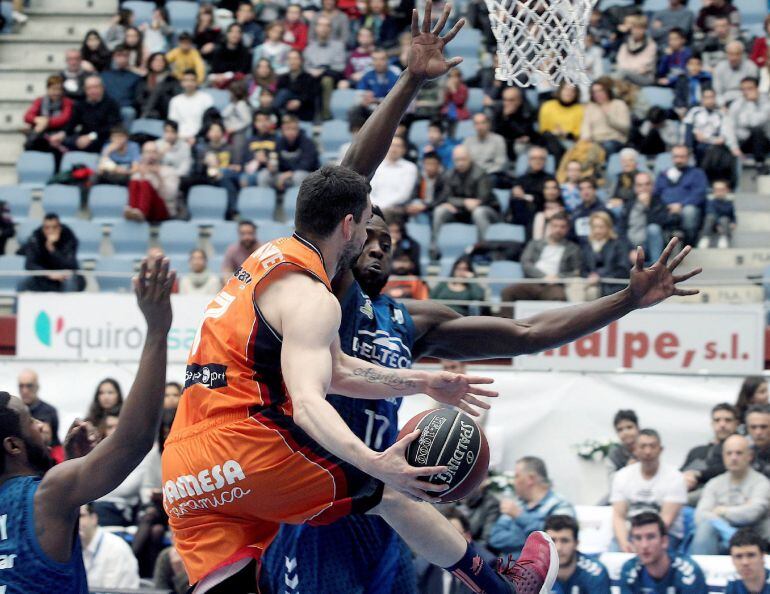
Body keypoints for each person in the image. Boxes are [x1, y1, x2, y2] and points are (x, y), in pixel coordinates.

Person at [161, 9, 562, 593]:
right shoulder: (315, 299)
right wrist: (374, 464)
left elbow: (339, 369)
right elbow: (309, 400)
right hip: (244, 449)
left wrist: (420, 383)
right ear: (348, 227)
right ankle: (498, 583)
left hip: (185, 465)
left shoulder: (265, 260)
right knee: (389, 496)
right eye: (368, 224)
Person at [0, 256, 173, 594]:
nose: (42, 425)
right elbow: (133, 441)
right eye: (30, 419)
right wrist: (157, 331)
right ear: (13, 446)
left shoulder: (51, 494)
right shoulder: (48, 494)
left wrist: (71, 467)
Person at [611, 429, 688, 553]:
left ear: (661, 449)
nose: (648, 451)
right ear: (635, 450)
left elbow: (666, 521)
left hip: (664, 535)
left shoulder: (676, 477)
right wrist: (624, 542)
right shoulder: (622, 476)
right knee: (614, 550)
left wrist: (643, 543)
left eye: (652, 446)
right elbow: (618, 516)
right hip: (630, 533)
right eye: (643, 447)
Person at [691, 434, 770, 554]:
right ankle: (701, 570)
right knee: (705, 528)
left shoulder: (761, 483)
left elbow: (752, 513)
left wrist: (721, 511)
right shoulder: (714, 483)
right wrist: (726, 525)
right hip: (721, 542)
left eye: (739, 453)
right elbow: (700, 516)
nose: (733, 458)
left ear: (750, 456)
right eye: (729, 453)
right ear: (723, 456)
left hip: (754, 543)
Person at [489, 457, 575, 557]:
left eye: (517, 476)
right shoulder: (516, 504)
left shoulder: (560, 504)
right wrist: (535, 539)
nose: (514, 481)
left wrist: (520, 516)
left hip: (542, 571)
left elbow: (557, 540)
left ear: (531, 479)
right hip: (505, 570)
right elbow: (495, 539)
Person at [500, 212, 582, 306]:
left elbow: (575, 271)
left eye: (562, 227)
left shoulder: (573, 248)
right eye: (555, 226)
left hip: (555, 284)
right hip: (533, 281)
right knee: (507, 292)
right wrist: (543, 276)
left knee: (558, 297)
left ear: (567, 229)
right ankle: (507, 321)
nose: (558, 229)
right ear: (549, 227)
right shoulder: (535, 243)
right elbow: (525, 263)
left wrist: (558, 277)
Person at [620, 512, 707, 594]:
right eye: (638, 538)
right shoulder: (629, 570)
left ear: (664, 541)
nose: (644, 545)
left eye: (650, 537)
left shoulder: (687, 572)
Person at [432, 145, 499, 242]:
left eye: (463, 159)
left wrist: (456, 202)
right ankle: (434, 247)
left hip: (488, 211)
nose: (460, 163)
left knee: (478, 212)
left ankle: (484, 248)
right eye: (457, 160)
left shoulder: (480, 174)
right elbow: (446, 197)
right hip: (461, 211)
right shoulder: (449, 175)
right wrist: (464, 202)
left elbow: (482, 200)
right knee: (440, 211)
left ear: (470, 158)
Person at [681, 402, 739, 501]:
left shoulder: (740, 450)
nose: (722, 424)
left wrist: (698, 474)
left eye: (727, 420)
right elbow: (680, 472)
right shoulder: (697, 451)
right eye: (717, 420)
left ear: (736, 424)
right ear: (712, 424)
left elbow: (726, 470)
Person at [653, 144, 708, 246]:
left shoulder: (697, 173)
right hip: (665, 208)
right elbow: (656, 194)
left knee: (689, 211)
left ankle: (688, 245)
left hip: (686, 208)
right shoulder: (663, 174)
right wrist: (666, 206)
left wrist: (681, 205)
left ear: (688, 157)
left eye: (682, 157)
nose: (678, 160)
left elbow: (699, 194)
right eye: (676, 156)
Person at [544, 515, 611, 594]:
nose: (558, 548)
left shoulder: (595, 571)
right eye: (552, 541)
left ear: (576, 543)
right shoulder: (535, 572)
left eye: (565, 541)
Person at [79, 503, 140, 588]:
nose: (75, 522)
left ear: (93, 518)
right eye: (70, 517)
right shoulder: (71, 548)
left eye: (81, 516)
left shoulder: (116, 548)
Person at [19, 214, 83, 293]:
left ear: (59, 228)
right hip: (46, 275)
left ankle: (67, 305)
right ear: (43, 229)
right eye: (47, 228)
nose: (50, 231)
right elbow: (29, 264)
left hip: (65, 276)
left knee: (70, 280)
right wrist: (49, 274)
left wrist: (52, 250)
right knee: (23, 283)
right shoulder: (35, 239)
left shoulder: (69, 238)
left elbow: (70, 264)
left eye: (54, 227)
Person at [258, 115, 319, 191]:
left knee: (298, 176)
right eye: (287, 129)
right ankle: (265, 201)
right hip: (283, 176)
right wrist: (271, 167)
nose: (290, 132)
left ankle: (300, 202)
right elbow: (275, 162)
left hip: (304, 176)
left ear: (298, 130)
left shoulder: (308, 143)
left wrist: (289, 173)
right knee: (264, 175)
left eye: (293, 129)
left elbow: (307, 165)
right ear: (282, 131)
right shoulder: (279, 143)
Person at [304, 15, 347, 120]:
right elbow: (306, 66)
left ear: (330, 29)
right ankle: (309, 115)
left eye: (326, 25)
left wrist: (322, 70)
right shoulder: (310, 47)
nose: (323, 28)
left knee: (326, 80)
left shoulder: (338, 46)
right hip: (313, 75)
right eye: (320, 25)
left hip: (332, 74)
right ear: (316, 28)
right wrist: (312, 71)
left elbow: (340, 66)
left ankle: (326, 114)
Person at [616, 174, 665, 266]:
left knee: (653, 228)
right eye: (640, 185)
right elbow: (621, 231)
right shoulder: (628, 205)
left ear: (653, 186)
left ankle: (657, 268)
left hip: (648, 245)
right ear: (635, 188)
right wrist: (630, 250)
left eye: (647, 184)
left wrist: (646, 207)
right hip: (630, 245)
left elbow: (663, 223)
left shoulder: (659, 203)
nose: (644, 188)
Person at [64, 75, 122, 153]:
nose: (93, 91)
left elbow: (112, 127)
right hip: (84, 136)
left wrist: (91, 137)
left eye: (96, 87)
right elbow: (72, 123)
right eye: (89, 88)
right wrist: (63, 133)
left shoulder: (111, 104)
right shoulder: (81, 104)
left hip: (103, 137)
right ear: (85, 90)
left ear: (102, 88)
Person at [126, 141, 180, 222]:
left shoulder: (169, 171)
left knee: (145, 183)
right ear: (142, 155)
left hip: (163, 209)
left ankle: (141, 213)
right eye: (147, 152)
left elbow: (170, 196)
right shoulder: (137, 174)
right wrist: (142, 175)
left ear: (158, 154)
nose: (150, 155)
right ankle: (135, 212)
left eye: (154, 152)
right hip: (141, 210)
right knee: (135, 182)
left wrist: (158, 176)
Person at [725, 77, 770, 174]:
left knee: (757, 131)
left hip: (765, 141)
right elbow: (729, 126)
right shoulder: (736, 104)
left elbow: (755, 122)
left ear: (757, 88)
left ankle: (760, 164)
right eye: (743, 89)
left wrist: (751, 103)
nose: (746, 92)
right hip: (745, 142)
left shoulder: (767, 102)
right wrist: (734, 147)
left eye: (750, 88)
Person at [581, 211, 629, 299]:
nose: (597, 230)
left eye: (601, 227)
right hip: (591, 284)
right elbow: (583, 270)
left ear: (608, 227)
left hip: (613, 287)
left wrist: (600, 276)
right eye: (594, 227)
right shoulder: (587, 247)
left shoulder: (618, 245)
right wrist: (590, 276)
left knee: (592, 293)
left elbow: (623, 269)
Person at [580, 77, 631, 155]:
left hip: (614, 140)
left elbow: (626, 128)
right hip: (595, 141)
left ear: (607, 91)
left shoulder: (619, 104)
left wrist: (609, 118)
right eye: (594, 92)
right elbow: (586, 126)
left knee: (606, 147)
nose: (597, 94)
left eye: (600, 91)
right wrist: (586, 138)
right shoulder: (591, 107)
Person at [537, 82, 583, 164]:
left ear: (576, 94)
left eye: (572, 91)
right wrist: (555, 133)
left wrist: (565, 134)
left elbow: (578, 132)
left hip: (570, 140)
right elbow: (543, 128)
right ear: (560, 90)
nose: (569, 93)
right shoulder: (548, 106)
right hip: (549, 139)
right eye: (566, 89)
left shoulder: (580, 109)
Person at [369, 136, 419, 211]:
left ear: (404, 150)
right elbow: (370, 190)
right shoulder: (376, 165)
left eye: (398, 146)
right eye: (391, 145)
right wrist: (375, 204)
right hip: (374, 205)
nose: (394, 149)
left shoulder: (410, 167)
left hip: (397, 207)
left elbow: (404, 194)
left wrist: (382, 206)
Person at [16, 370, 60, 448]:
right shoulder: (14, 410)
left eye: (29, 386)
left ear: (37, 387)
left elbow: (48, 437)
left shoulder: (49, 411)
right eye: (21, 386)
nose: (25, 391)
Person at [167, 69, 215, 142]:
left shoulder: (206, 98)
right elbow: (173, 124)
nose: (189, 83)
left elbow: (209, 122)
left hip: (200, 138)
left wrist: (196, 137)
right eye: (186, 80)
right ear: (181, 83)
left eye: (192, 80)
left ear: (197, 82)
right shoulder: (175, 101)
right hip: (179, 139)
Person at [463, 113, 508, 187]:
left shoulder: (498, 140)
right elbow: (465, 161)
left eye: (483, 123)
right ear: (474, 126)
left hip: (490, 174)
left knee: (488, 180)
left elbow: (500, 164)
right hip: (472, 175)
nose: (480, 126)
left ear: (488, 124)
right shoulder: (467, 141)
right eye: (477, 123)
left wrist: (483, 173)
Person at [492, 86, 537, 161]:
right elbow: (494, 131)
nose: (507, 103)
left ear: (519, 100)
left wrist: (509, 118)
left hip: (519, 142)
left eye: (511, 100)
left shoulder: (527, 111)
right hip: (503, 140)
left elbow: (523, 132)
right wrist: (505, 117)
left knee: (519, 147)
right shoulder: (498, 108)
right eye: (505, 100)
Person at [101, 45, 142, 126]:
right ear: (114, 57)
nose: (122, 59)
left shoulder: (135, 77)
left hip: (126, 108)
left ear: (129, 58)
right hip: (107, 108)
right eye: (119, 55)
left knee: (129, 112)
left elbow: (137, 99)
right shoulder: (103, 75)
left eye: (125, 56)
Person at [135, 52, 181, 121]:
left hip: (166, 111)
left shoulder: (172, 79)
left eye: (161, 61)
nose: (158, 63)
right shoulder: (144, 79)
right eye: (155, 60)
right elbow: (139, 97)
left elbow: (176, 97)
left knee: (159, 90)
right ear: (150, 63)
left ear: (165, 63)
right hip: (148, 111)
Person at [616, 15, 658, 87]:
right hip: (625, 73)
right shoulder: (626, 42)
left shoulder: (651, 45)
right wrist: (625, 69)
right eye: (634, 28)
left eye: (640, 28)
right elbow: (620, 59)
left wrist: (627, 70)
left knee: (622, 74)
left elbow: (644, 64)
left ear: (645, 29)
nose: (637, 31)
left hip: (644, 77)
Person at [274, 50, 316, 121]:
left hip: (303, 110)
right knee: (283, 93)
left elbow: (310, 95)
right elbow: (278, 95)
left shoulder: (309, 78)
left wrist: (299, 102)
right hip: (286, 109)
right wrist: (287, 104)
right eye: (290, 59)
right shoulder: (282, 78)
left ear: (301, 60)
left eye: (295, 59)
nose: (292, 62)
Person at [725, 529, 770, 594]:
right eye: (738, 556)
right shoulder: (732, 583)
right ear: (732, 560)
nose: (745, 562)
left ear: (762, 557)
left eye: (751, 555)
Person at [714, 42, 759, 107]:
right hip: (725, 101)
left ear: (742, 54)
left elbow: (752, 90)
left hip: (746, 101)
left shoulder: (751, 67)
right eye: (731, 54)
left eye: (737, 54)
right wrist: (722, 106)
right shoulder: (719, 68)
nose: (734, 57)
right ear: (726, 54)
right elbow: (718, 92)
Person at [209, 23, 253, 87]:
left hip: (237, 84)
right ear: (227, 34)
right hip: (218, 82)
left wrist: (227, 75)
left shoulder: (246, 52)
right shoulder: (218, 50)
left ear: (241, 35)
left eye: (238, 32)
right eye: (232, 32)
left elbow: (243, 71)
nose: (235, 35)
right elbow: (214, 69)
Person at [570, 178, 610, 243]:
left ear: (594, 190)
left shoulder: (604, 211)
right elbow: (571, 234)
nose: (585, 192)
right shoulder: (576, 211)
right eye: (582, 189)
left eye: (589, 188)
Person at [700, 179, 736, 248]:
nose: (719, 192)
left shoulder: (729, 203)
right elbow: (710, 212)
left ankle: (724, 239)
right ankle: (705, 238)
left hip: (724, 225)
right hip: (712, 224)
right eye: (717, 190)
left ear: (727, 190)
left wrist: (734, 222)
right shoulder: (710, 202)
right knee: (710, 217)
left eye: (722, 189)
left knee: (724, 219)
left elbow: (732, 215)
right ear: (713, 191)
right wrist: (717, 224)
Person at [607, 410, 640, 480]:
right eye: (620, 430)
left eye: (629, 427)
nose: (625, 432)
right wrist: (627, 470)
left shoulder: (648, 448)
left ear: (638, 428)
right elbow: (611, 482)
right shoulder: (615, 454)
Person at [746, 405, 770, 479]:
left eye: (764, 427)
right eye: (753, 427)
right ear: (747, 428)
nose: (758, 432)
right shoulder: (741, 453)